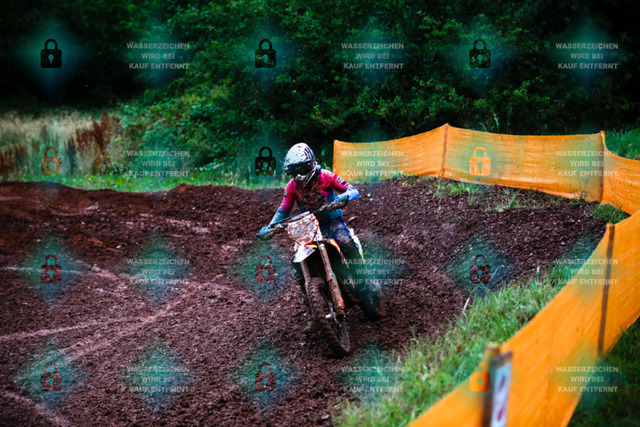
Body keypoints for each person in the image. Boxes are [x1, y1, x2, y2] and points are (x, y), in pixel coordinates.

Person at [259, 142, 361, 292]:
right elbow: (283, 209)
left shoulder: (326, 176)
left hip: (332, 221)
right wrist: (271, 227)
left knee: (345, 242)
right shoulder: (292, 186)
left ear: (310, 164)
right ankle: (309, 295)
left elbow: (353, 190)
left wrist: (344, 197)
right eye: (294, 171)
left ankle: (362, 279)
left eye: (301, 169)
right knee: (298, 261)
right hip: (309, 227)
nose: (299, 175)